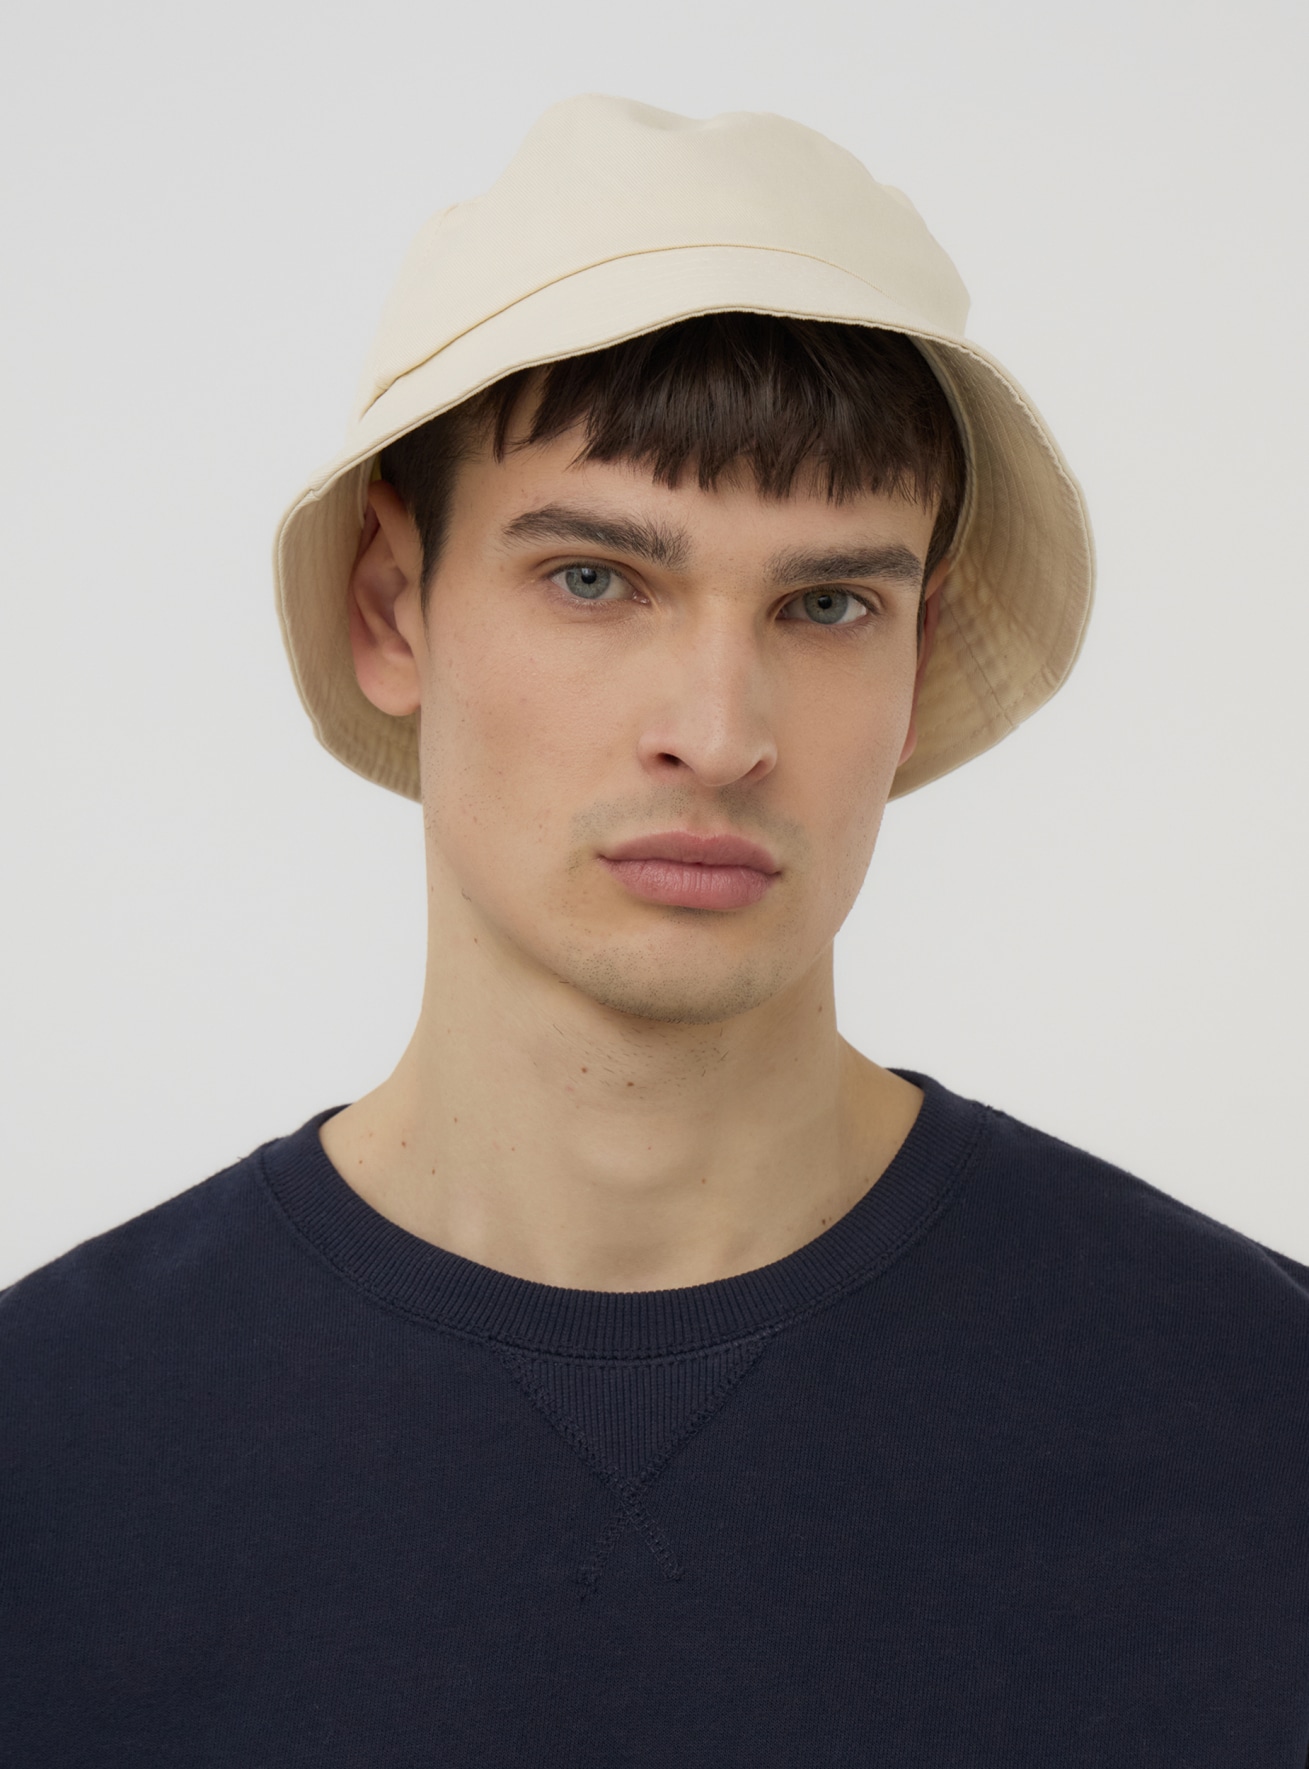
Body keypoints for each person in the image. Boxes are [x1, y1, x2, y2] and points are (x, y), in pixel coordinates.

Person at [2, 94, 1307, 1767]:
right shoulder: (52, 1456)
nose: (718, 728)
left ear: (917, 657)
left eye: (824, 603)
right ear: (390, 604)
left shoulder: (1255, 1409)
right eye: (595, 578)